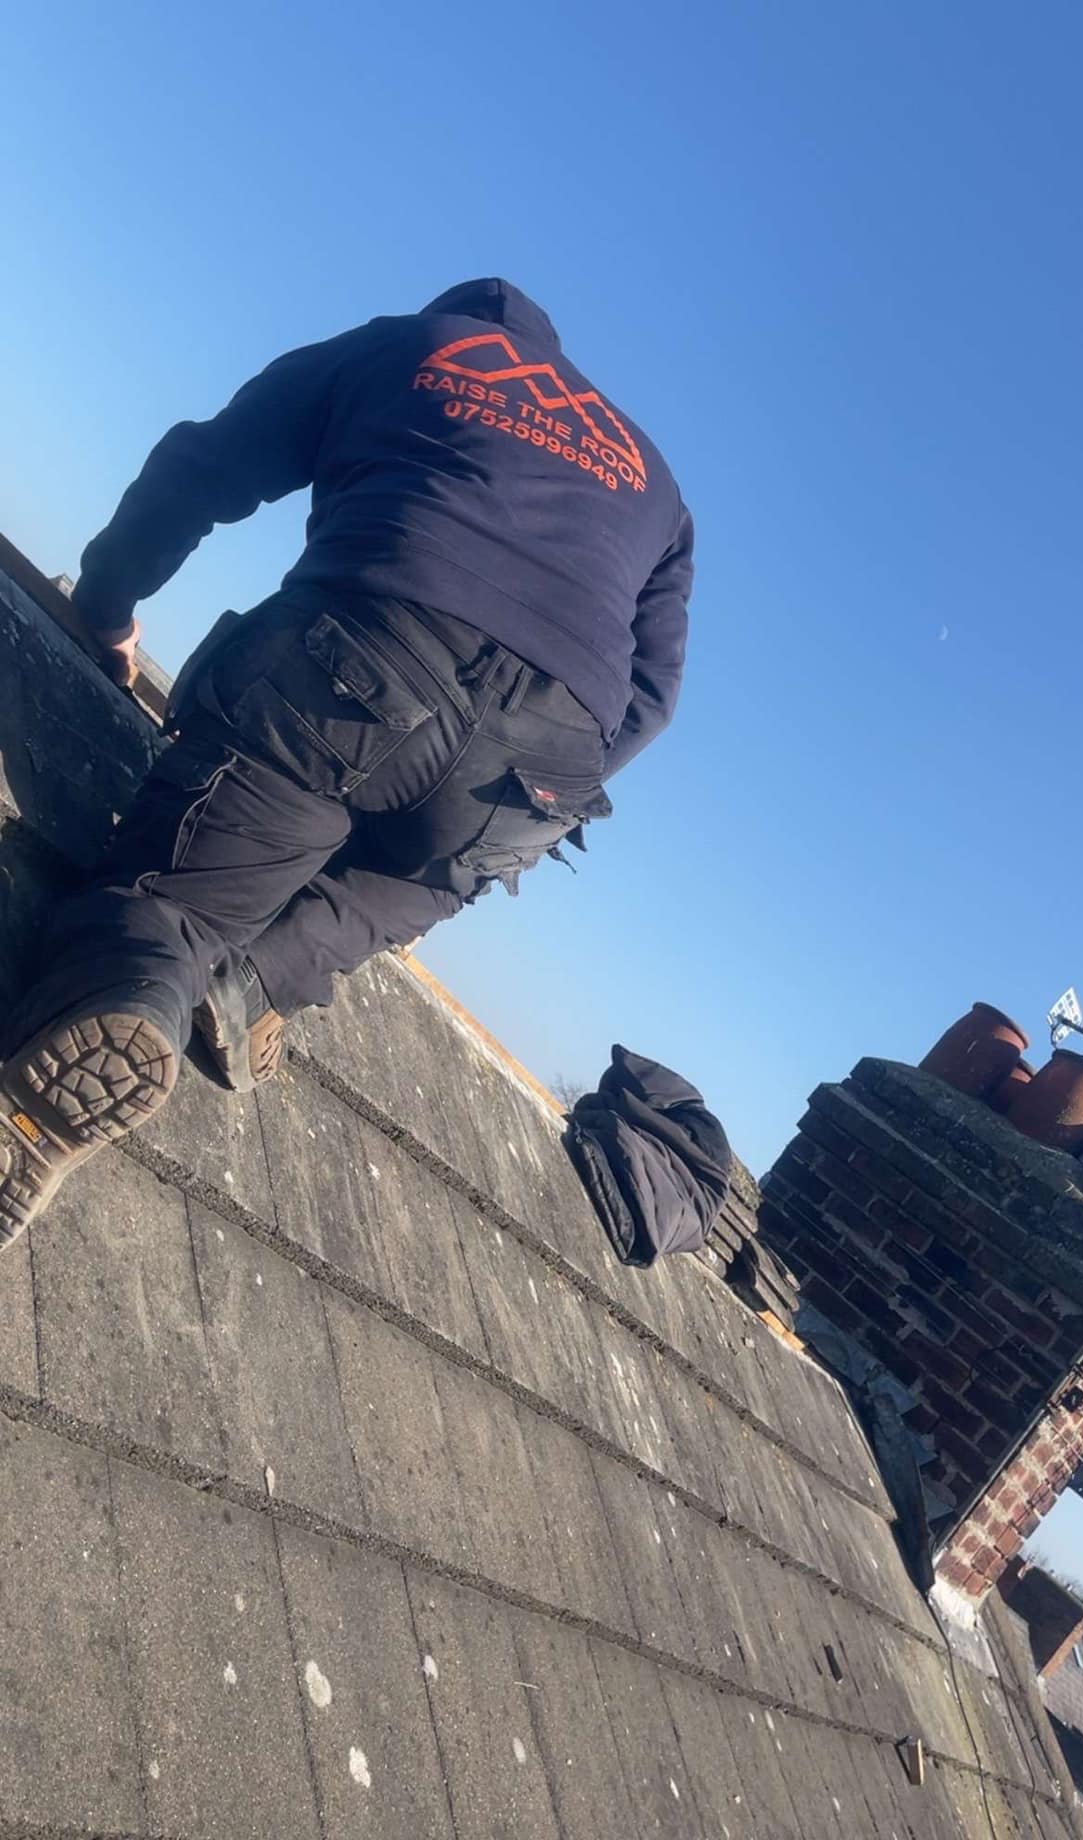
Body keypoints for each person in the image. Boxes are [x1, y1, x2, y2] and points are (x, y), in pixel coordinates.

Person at [0, 279, 693, 1247]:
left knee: (173, 904)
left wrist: (105, 606)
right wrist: (543, 787)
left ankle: (140, 979)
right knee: (411, 882)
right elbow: (652, 697)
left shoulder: (416, 344)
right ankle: (258, 980)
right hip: (536, 768)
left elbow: (205, 465)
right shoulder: (654, 480)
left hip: (362, 666)